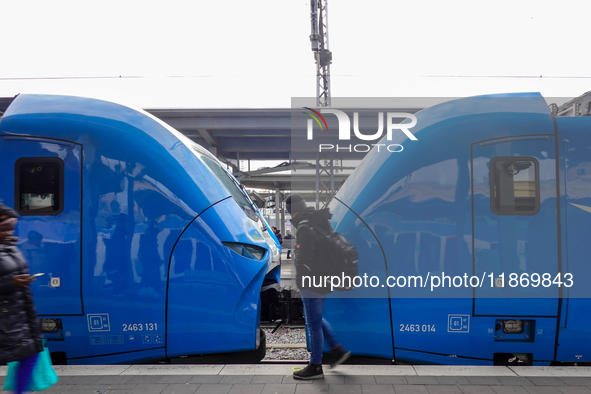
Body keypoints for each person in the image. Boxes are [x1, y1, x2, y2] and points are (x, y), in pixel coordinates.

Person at [285, 194, 351, 380]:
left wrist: (300, 282)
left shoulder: (305, 227)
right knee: (316, 318)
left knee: (313, 324)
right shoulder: (318, 221)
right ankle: (337, 349)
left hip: (312, 282)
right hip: (324, 280)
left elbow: (305, 260)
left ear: (293, 210)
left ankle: (315, 366)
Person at [0, 203, 44, 394]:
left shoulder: (9, 247)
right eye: (4, 229)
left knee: (31, 355)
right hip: (5, 319)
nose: (9, 232)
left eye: (11, 228)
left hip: (17, 318)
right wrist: (11, 283)